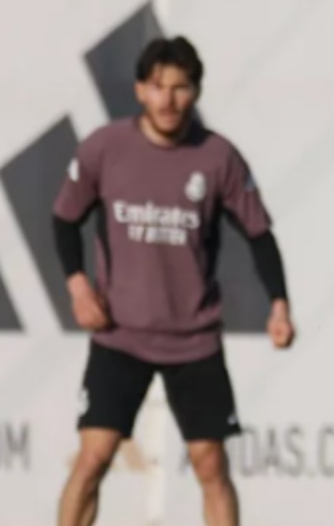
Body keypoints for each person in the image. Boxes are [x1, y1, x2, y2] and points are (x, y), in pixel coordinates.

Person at [52, 36, 294, 526]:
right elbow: (64, 219)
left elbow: (259, 234)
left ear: (196, 92)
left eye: (181, 87)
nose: (168, 99)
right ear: (140, 90)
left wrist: (279, 305)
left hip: (193, 339)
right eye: (158, 86)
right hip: (120, 335)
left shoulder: (217, 157)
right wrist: (78, 286)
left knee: (211, 465)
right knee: (93, 458)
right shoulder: (105, 148)